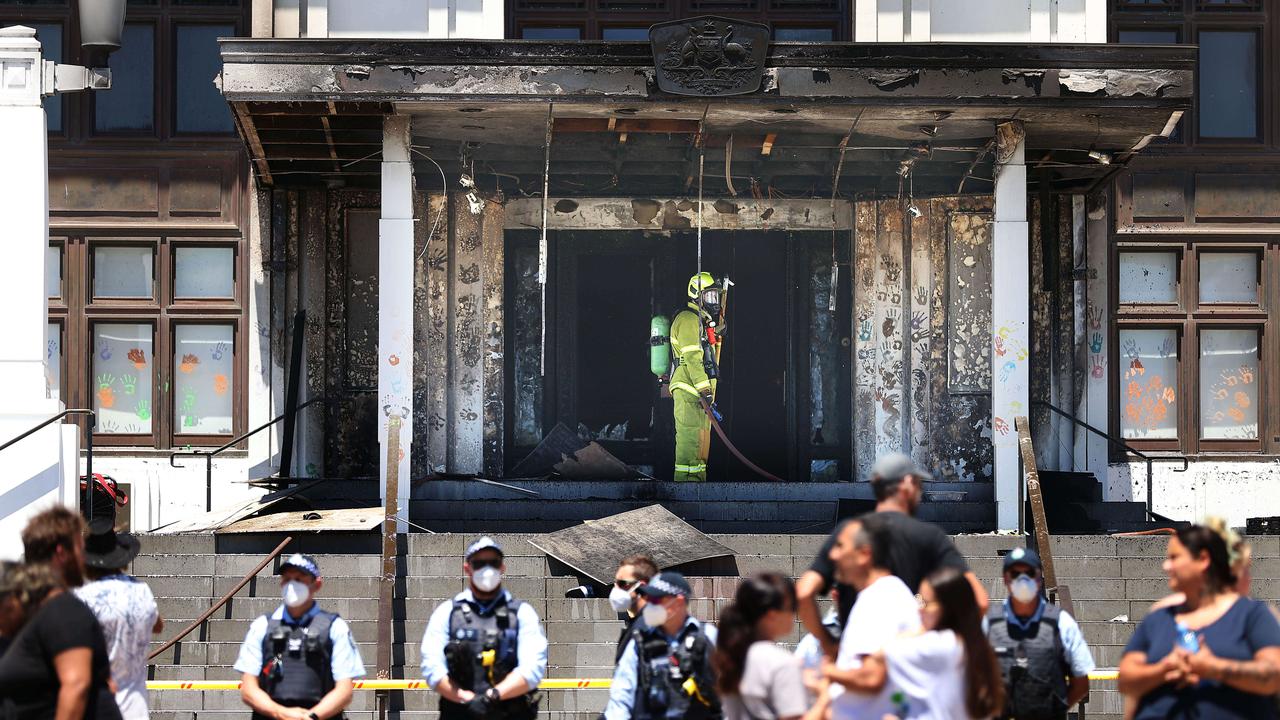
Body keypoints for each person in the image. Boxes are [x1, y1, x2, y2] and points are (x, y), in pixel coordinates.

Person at [798, 453, 988, 659]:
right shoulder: (928, 537)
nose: (919, 492)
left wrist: (828, 645)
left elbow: (804, 592)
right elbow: (979, 601)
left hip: (857, 666)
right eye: (918, 484)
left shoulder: (849, 533)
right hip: (908, 668)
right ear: (907, 484)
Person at [1118, 524, 1280, 720]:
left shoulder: (1253, 615)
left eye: (1174, 558)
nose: (1165, 566)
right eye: (1239, 571)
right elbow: (1127, 683)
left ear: (1203, 560)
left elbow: (1274, 675)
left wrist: (1213, 667)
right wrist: (1165, 668)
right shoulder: (1160, 615)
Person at [0, 507, 122, 720]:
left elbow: (76, 685)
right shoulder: (46, 611)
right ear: (61, 553)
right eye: (79, 546)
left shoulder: (63, 610)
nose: (83, 556)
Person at [837, 567, 1004, 720]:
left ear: (947, 607)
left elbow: (880, 654)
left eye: (926, 603)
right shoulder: (965, 643)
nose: (919, 609)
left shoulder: (941, 645)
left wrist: (828, 671)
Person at [421, 537, 548, 720]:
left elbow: (532, 668)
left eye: (493, 562)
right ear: (467, 569)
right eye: (479, 563)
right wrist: (467, 699)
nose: (487, 569)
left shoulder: (522, 613)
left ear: (502, 567)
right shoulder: (447, 613)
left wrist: (492, 696)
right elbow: (432, 667)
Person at [233, 553, 365, 720]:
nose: (292, 585)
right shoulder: (262, 626)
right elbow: (248, 689)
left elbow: (344, 690)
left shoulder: (335, 627)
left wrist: (311, 717)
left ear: (316, 584)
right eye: (287, 579)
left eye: (299, 578)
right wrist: (282, 714)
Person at [822, 515, 921, 720]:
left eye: (840, 546)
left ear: (864, 554)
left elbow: (871, 678)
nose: (833, 555)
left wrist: (827, 672)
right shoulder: (881, 594)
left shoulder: (881, 599)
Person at [985, 547, 1093, 720]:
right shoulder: (989, 623)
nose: (1022, 579)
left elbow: (1081, 682)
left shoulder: (1062, 623)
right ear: (1005, 579)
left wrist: (1056, 710)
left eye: (1029, 573)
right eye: (1015, 573)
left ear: (1039, 579)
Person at [74, 519, 164, 720]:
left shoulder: (85, 598)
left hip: (99, 707)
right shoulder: (142, 591)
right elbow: (157, 625)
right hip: (136, 708)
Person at [604, 571, 721, 720]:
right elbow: (622, 694)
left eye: (656, 599)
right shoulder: (640, 638)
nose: (649, 604)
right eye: (648, 598)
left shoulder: (706, 636)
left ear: (678, 602)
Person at [713, 573, 815, 720]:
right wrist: (824, 696)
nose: (795, 613)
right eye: (792, 607)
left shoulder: (732, 655)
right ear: (772, 615)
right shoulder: (782, 662)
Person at [669, 271, 725, 482]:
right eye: (708, 296)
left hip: (701, 395)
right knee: (689, 443)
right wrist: (705, 390)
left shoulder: (700, 322)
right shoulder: (688, 319)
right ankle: (685, 489)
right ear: (696, 296)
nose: (714, 302)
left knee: (701, 445)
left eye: (715, 297)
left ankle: (697, 486)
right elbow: (693, 358)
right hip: (689, 391)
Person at [19, 504, 87, 588]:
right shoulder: (68, 600)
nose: (84, 559)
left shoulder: (12, 598)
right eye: (80, 550)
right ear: (61, 553)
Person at [610, 555, 658, 661]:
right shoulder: (634, 628)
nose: (616, 589)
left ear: (642, 586)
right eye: (616, 583)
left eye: (622, 583)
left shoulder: (655, 630)